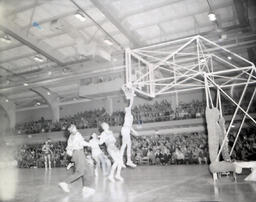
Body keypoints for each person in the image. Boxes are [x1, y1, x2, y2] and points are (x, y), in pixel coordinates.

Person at [58, 124, 95, 196]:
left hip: (78, 153)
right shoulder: (76, 134)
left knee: (86, 169)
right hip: (78, 153)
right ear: (70, 130)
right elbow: (81, 142)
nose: (75, 128)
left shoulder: (70, 137)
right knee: (80, 172)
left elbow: (68, 149)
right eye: (73, 127)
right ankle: (65, 182)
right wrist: (89, 144)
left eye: (74, 127)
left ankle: (87, 187)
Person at [120, 85, 138, 167]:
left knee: (128, 145)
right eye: (126, 108)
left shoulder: (129, 116)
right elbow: (131, 103)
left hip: (126, 130)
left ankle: (128, 160)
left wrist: (134, 131)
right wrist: (132, 93)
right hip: (125, 130)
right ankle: (122, 160)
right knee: (125, 145)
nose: (127, 108)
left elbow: (130, 126)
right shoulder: (128, 114)